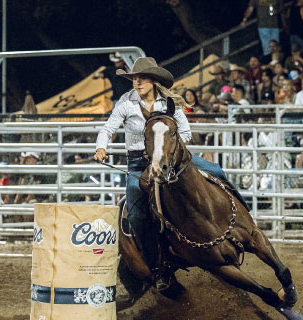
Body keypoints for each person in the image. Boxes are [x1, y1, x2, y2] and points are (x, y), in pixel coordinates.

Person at [93, 57, 246, 289]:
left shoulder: (168, 103)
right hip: (139, 163)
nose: (137, 82)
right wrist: (101, 147)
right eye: (134, 78)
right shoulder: (126, 102)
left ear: (153, 80)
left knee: (216, 171)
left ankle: (243, 221)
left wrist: (168, 149)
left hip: (172, 157)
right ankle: (158, 267)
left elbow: (186, 132)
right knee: (136, 215)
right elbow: (108, 129)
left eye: (142, 78)